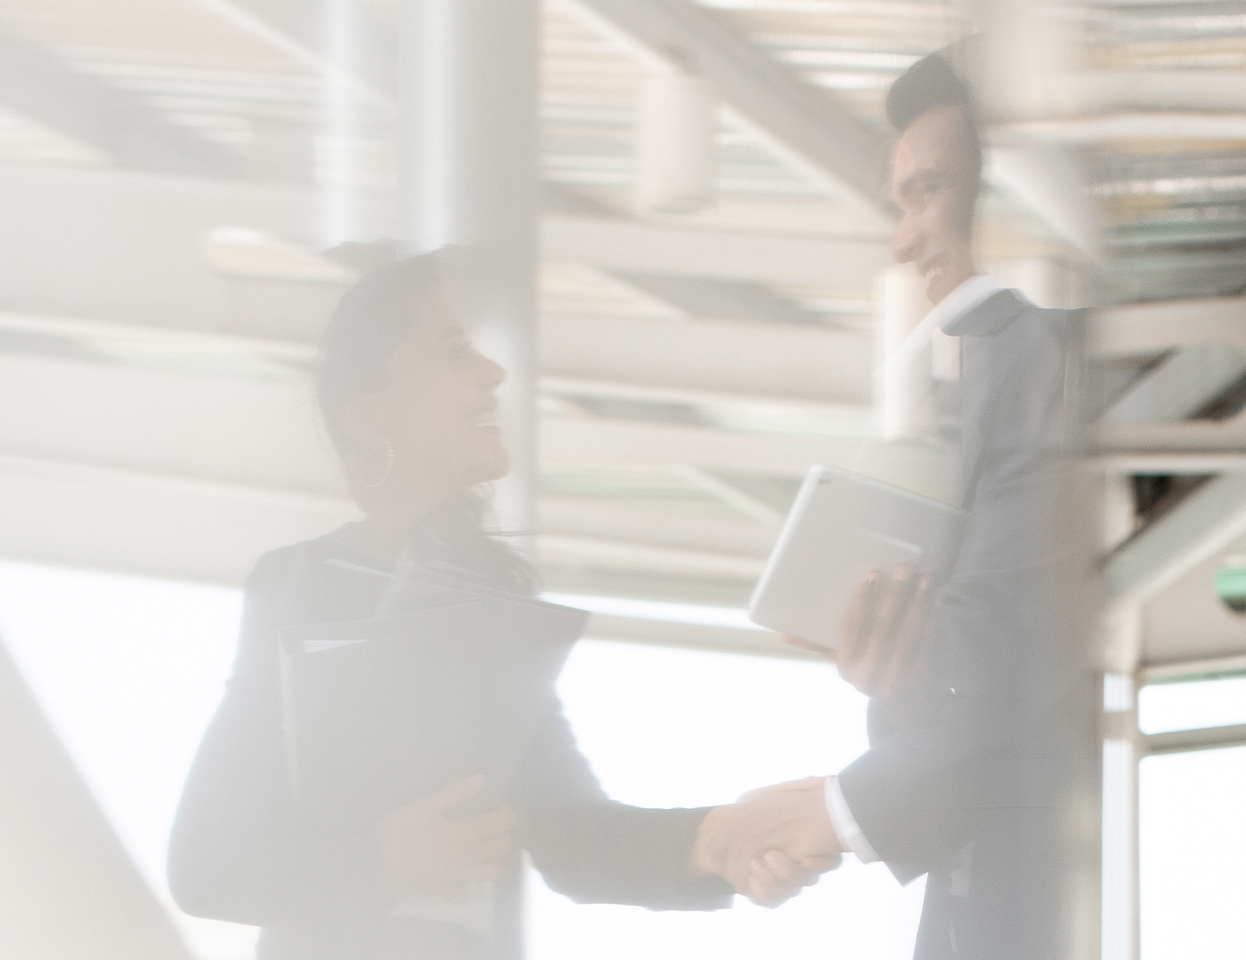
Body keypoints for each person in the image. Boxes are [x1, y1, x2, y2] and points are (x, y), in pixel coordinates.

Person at [164, 251, 810, 959]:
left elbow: (571, 837)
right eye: (452, 352)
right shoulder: (298, 586)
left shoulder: (492, 605)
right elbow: (207, 867)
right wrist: (381, 864)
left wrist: (717, 843)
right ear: (372, 412)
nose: (491, 373)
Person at [681, 47, 1107, 959]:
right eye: (901, 202)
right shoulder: (978, 386)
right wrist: (900, 674)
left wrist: (834, 810)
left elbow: (1015, 652)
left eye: (927, 193)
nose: (905, 239)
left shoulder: (1034, 359)